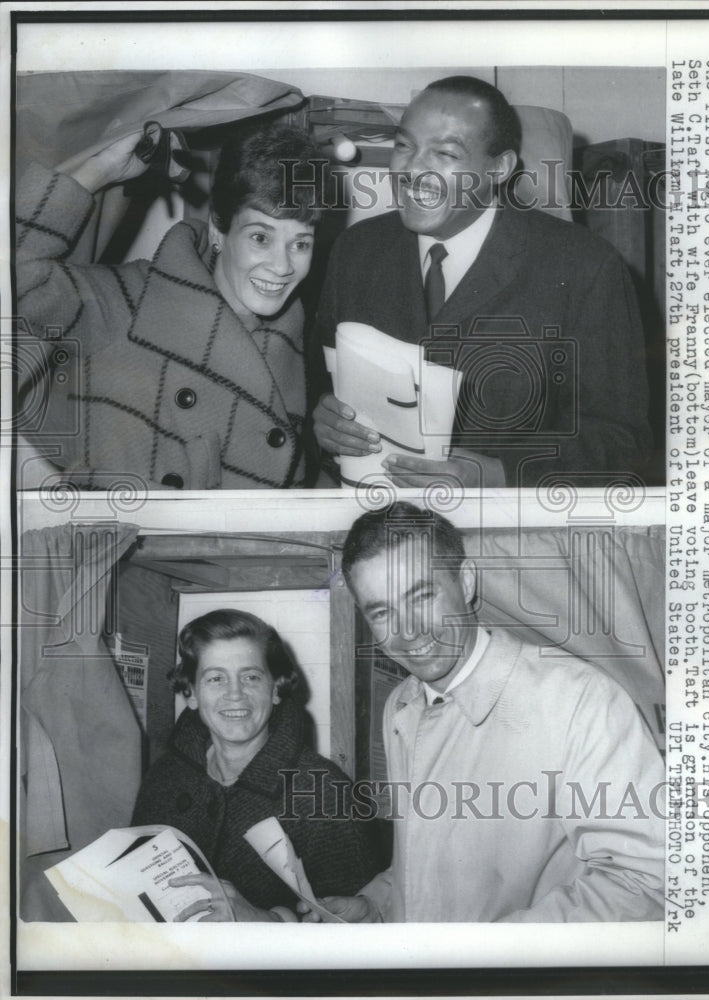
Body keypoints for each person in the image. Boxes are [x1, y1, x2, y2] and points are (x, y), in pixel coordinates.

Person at [300, 503, 664, 922]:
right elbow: (426, 863)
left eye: (421, 596)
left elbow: (647, 882)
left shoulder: (579, 699)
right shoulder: (402, 705)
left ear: (467, 582)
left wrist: (481, 956)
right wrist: (378, 907)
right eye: (382, 612)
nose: (408, 631)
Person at [310, 76, 652, 488]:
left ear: (499, 168)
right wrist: (323, 424)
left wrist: (497, 473)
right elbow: (316, 390)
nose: (413, 169)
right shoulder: (356, 251)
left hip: (509, 536)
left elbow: (623, 442)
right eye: (404, 146)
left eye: (445, 153)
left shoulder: (586, 267)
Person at [16, 121, 326, 489]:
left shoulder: (289, 342)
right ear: (218, 231)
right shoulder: (134, 298)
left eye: (301, 243)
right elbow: (17, 279)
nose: (283, 266)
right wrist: (99, 170)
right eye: (261, 237)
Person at [132, 609, 380, 921]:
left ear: (276, 689)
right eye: (215, 678)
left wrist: (264, 920)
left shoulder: (324, 791)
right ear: (192, 694)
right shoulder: (164, 777)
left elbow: (358, 938)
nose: (234, 694)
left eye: (250, 677)